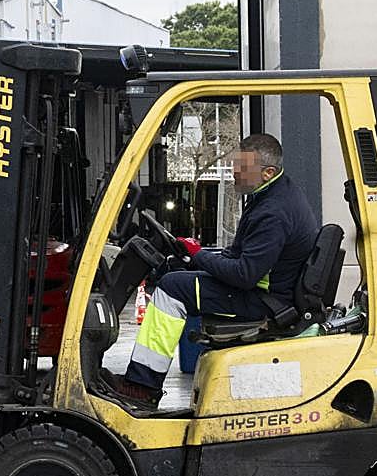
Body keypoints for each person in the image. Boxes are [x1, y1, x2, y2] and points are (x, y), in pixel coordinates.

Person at [104, 133, 319, 409]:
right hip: (262, 290)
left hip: (264, 301)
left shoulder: (273, 212)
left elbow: (244, 275)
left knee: (171, 289)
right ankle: (141, 382)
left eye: (243, 167)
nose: (234, 172)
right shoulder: (271, 195)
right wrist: (194, 258)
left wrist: (199, 255)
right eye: (235, 164)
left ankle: (142, 387)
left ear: (267, 172)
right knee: (176, 274)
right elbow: (240, 254)